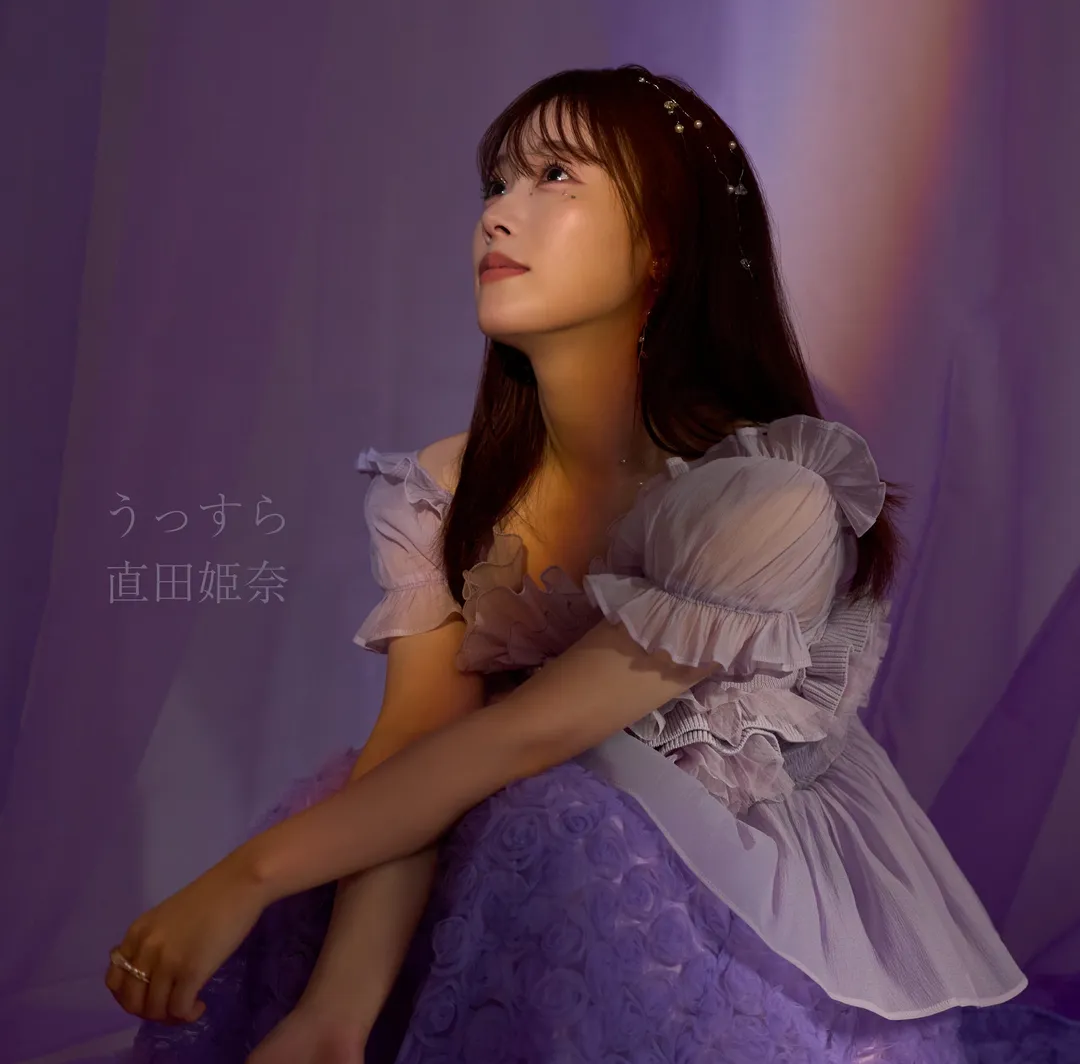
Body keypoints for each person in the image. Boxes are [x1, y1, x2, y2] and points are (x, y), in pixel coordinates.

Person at [105, 65, 1037, 1063]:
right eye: (496, 183)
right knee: (383, 813)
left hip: (721, 909)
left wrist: (245, 876)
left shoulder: (762, 501)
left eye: (556, 176)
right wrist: (335, 1014)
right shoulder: (448, 490)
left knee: (546, 822)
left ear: (662, 243)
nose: (499, 214)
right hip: (510, 830)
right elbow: (420, 743)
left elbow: (526, 736)